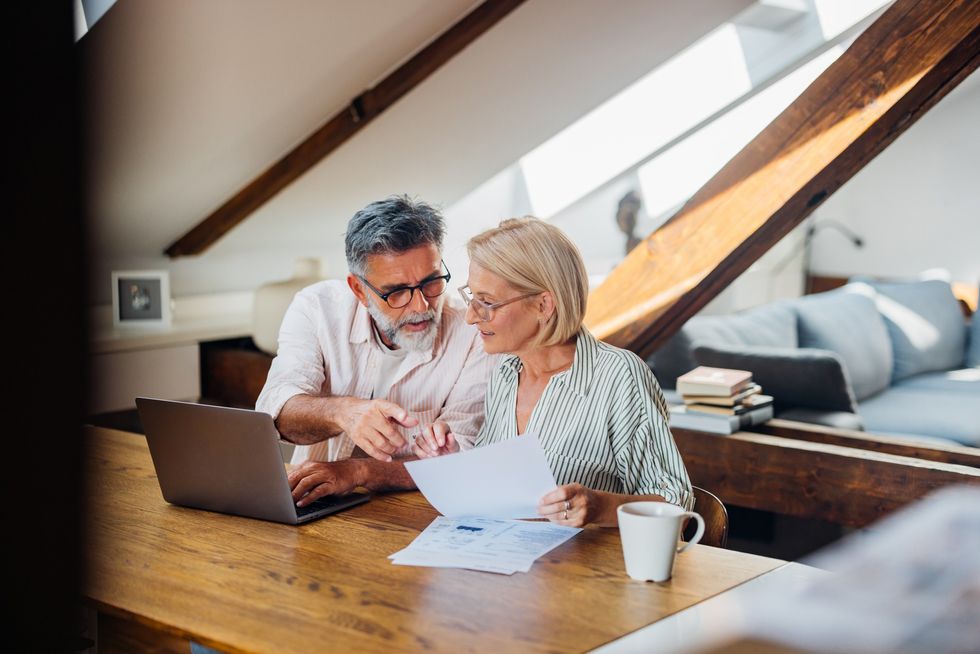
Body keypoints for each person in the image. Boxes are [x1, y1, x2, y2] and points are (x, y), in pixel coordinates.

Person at [414, 217, 693, 527]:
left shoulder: (619, 377)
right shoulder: (504, 373)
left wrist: (599, 507)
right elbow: (499, 492)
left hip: (591, 571)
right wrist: (452, 461)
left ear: (544, 306)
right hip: (510, 565)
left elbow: (675, 505)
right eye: (472, 297)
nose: (470, 317)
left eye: (487, 302)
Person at [255, 195, 495, 506]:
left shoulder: (474, 332)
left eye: (432, 282)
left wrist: (359, 472)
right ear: (359, 290)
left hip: (420, 512)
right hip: (314, 507)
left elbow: (461, 456)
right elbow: (276, 412)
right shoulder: (317, 308)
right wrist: (345, 412)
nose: (421, 306)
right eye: (396, 292)